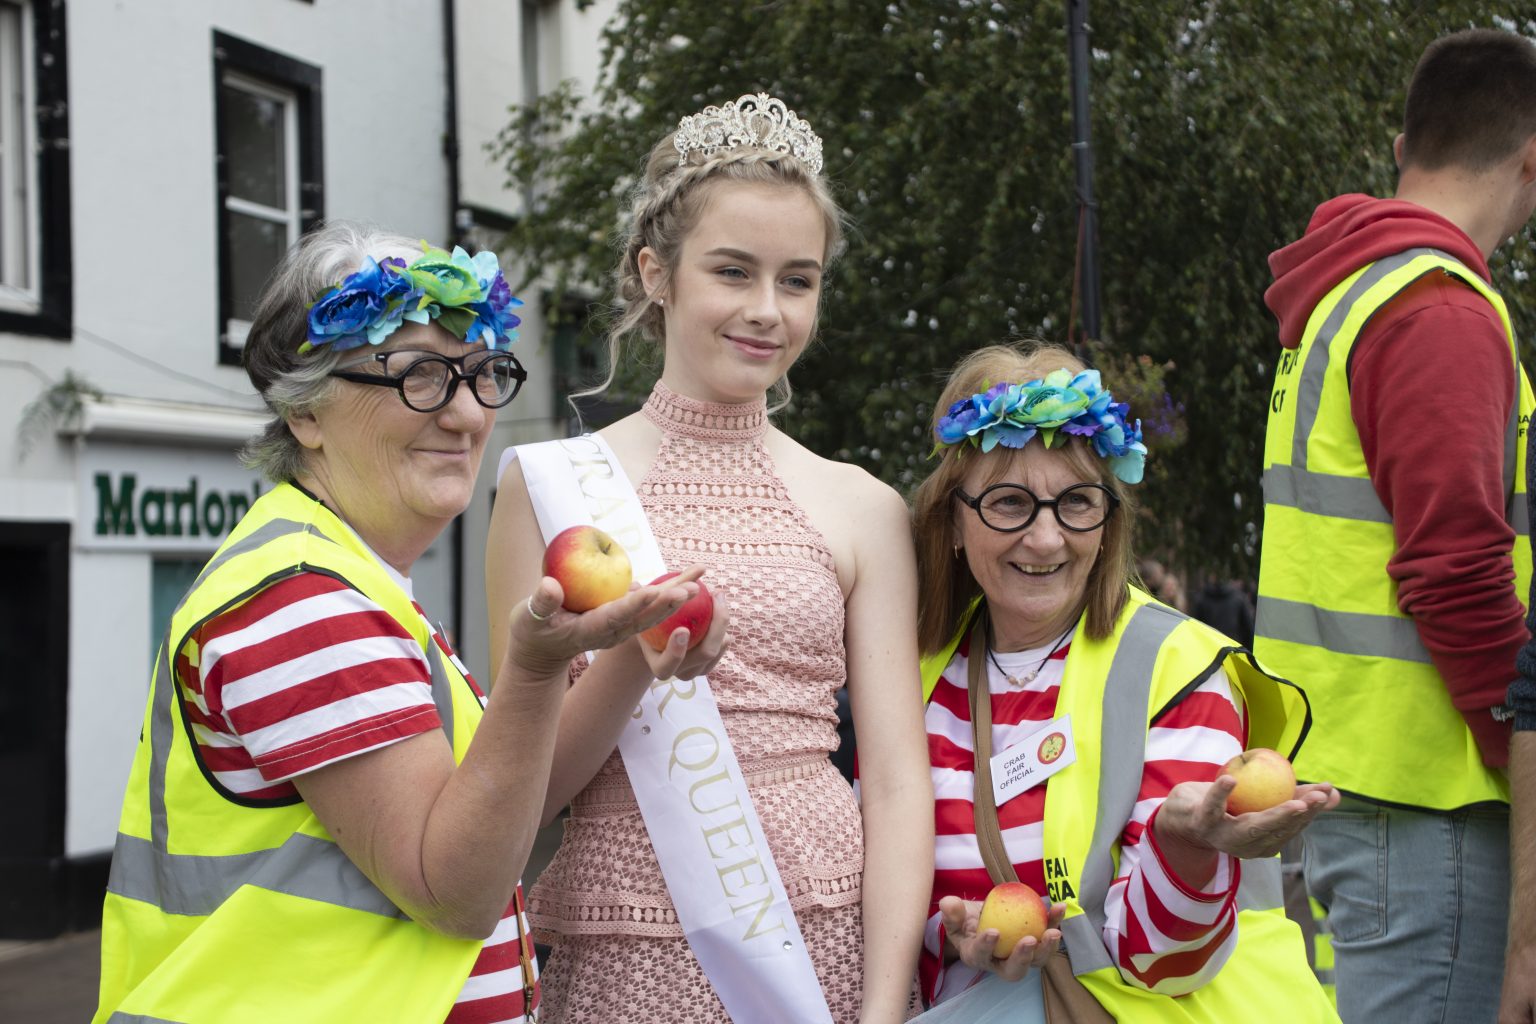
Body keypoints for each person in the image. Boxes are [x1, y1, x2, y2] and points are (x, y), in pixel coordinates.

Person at [92, 223, 708, 1024]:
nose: (464, 414)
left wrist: (636, 645)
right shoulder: (301, 598)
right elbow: (455, 893)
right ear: (308, 414)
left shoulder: (347, 582)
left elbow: (509, 804)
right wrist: (532, 670)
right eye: (419, 375)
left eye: (482, 374)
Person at [484, 94, 933, 1023]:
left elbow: (895, 782)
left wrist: (886, 1011)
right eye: (733, 271)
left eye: (798, 280)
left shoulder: (862, 507)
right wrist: (629, 664)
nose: (767, 311)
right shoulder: (549, 487)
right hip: (620, 947)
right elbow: (517, 799)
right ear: (657, 272)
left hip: (824, 941)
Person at [911, 343, 1339, 1020]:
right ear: (955, 524)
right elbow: (895, 904)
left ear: (1108, 523)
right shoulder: (918, 679)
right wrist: (953, 934)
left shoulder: (1174, 665)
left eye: (1077, 503)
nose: (1047, 539)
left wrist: (1182, 849)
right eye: (1009, 502)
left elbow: (1165, 964)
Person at [1256, 28, 1536, 1024]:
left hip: (1362, 783)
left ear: (1406, 144)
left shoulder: (1347, 293)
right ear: (1529, 160)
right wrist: (1525, 746)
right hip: (1436, 797)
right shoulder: (1437, 310)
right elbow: (1456, 568)